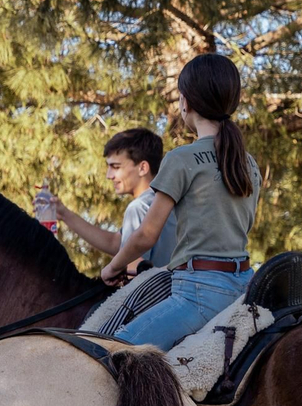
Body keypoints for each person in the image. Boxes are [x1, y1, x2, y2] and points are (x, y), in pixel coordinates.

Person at [103, 54, 260, 350]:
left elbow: (146, 235)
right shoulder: (248, 164)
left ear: (185, 102)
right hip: (244, 288)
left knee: (109, 352)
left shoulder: (181, 159)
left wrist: (112, 268)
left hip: (198, 294)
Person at [47, 128, 178, 272]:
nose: (109, 175)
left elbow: (132, 270)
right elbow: (116, 243)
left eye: (115, 167)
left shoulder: (138, 207)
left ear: (142, 168)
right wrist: (64, 214)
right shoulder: (168, 201)